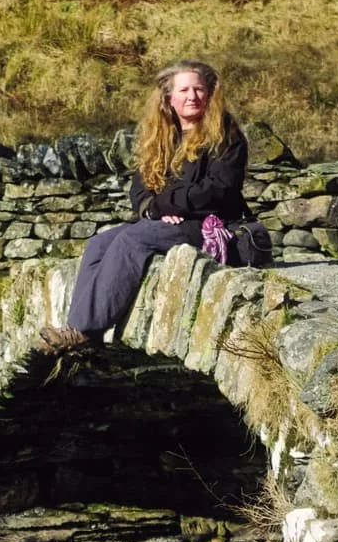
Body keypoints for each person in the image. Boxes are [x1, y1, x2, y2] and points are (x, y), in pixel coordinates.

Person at [37, 60, 248, 351]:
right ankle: (80, 332)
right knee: (98, 244)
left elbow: (217, 191)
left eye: (199, 89)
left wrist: (165, 207)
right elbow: (141, 188)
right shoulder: (161, 136)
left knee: (133, 239)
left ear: (209, 94)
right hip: (165, 221)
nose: (193, 96)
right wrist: (152, 209)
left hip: (209, 226)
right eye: (184, 90)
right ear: (169, 98)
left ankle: (83, 330)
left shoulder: (226, 136)